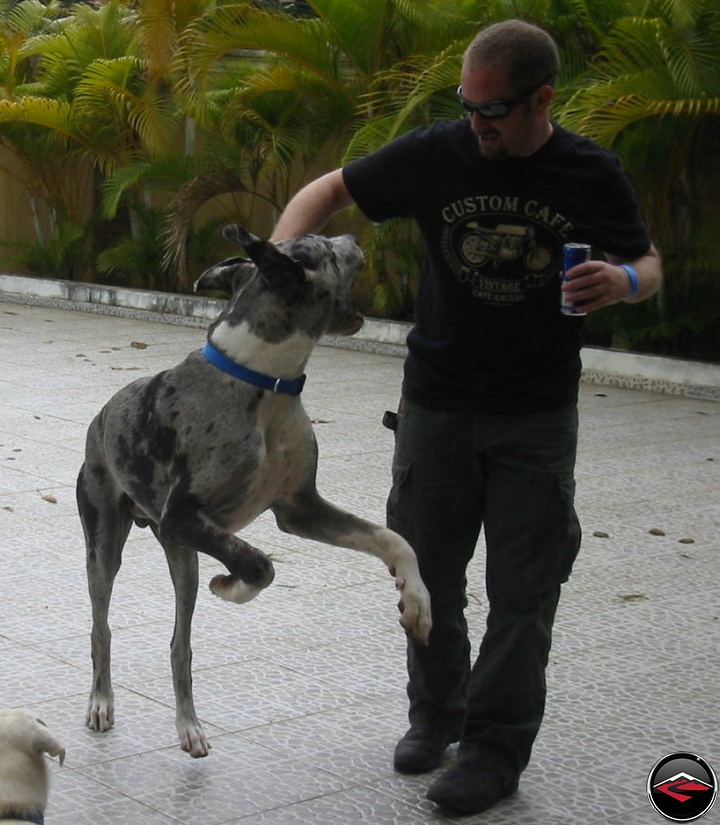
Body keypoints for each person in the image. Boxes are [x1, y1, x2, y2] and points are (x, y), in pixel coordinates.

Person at [270, 19, 662, 816]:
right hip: (436, 405)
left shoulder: (590, 169)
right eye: (468, 108)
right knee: (426, 571)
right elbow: (329, 188)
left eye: (492, 112)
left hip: (535, 414)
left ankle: (493, 748)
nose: (476, 125)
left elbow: (648, 261)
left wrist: (623, 280)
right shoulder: (439, 152)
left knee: (525, 591)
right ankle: (434, 714)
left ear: (541, 99)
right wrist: (277, 264)